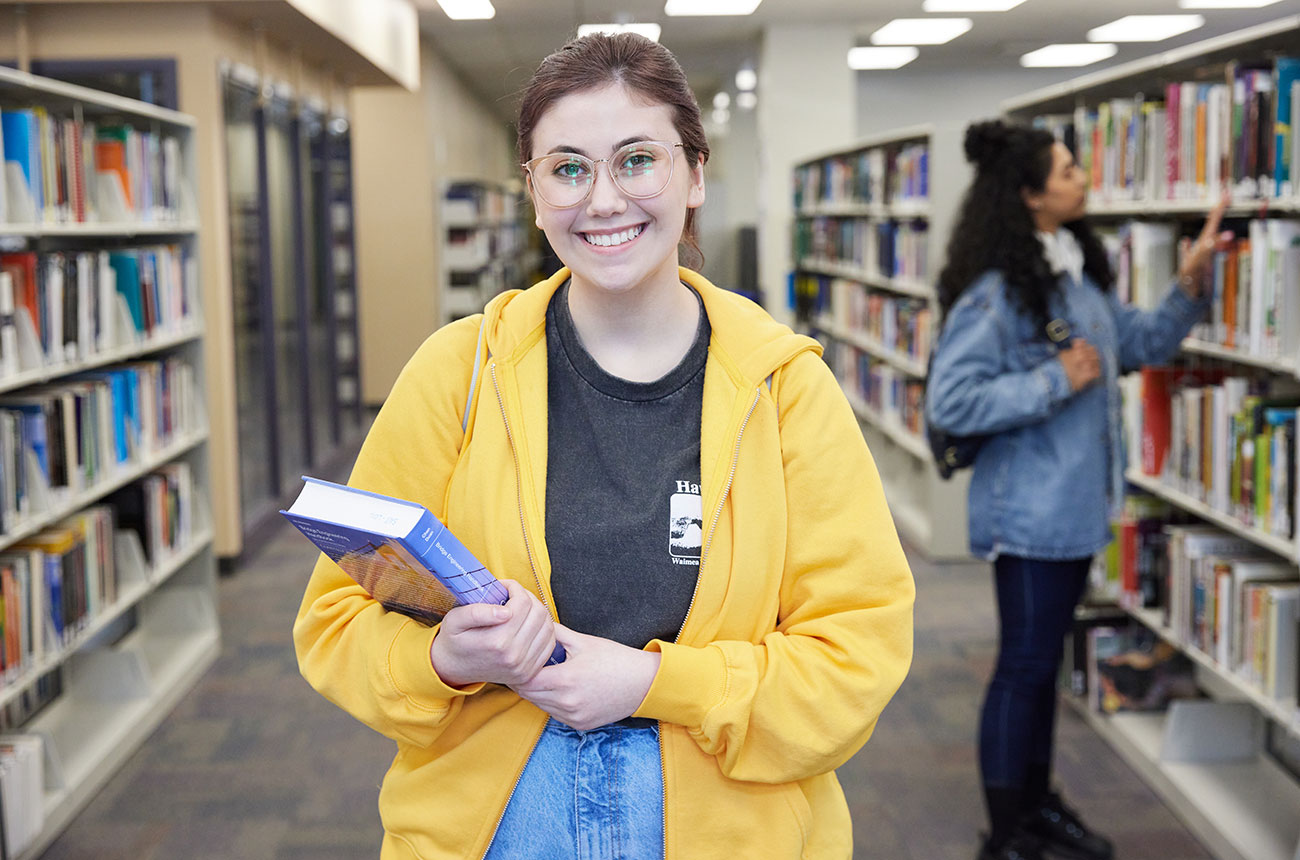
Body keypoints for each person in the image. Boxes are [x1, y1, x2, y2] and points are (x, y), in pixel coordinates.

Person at [293, 32, 915, 860]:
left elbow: (857, 657)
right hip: (496, 828)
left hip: (727, 828)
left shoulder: (786, 390)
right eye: (569, 168)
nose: (604, 200)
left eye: (636, 160)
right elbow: (334, 622)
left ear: (694, 174)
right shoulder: (457, 373)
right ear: (535, 190)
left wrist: (657, 685)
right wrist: (440, 658)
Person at [926, 119, 1227, 860]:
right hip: (1027, 513)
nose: (1082, 176)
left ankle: (1036, 804)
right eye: (1065, 170)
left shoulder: (1075, 279)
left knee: (1041, 668)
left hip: (1073, 510)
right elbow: (950, 402)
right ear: (1029, 195)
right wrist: (1053, 379)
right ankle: (1006, 834)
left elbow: (1146, 343)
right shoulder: (999, 296)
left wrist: (1189, 284)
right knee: (1023, 669)